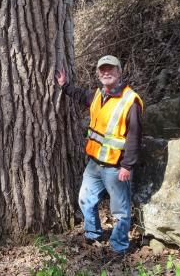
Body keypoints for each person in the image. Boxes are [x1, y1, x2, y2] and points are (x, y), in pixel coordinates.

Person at [56, 55, 143, 258]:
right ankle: (93, 233)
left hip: (116, 167)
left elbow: (135, 137)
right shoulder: (98, 95)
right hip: (94, 164)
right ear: (98, 74)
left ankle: (119, 247)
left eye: (110, 69)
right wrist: (64, 86)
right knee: (85, 199)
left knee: (120, 211)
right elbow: (80, 95)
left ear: (119, 72)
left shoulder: (130, 101)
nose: (106, 73)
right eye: (102, 69)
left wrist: (127, 166)